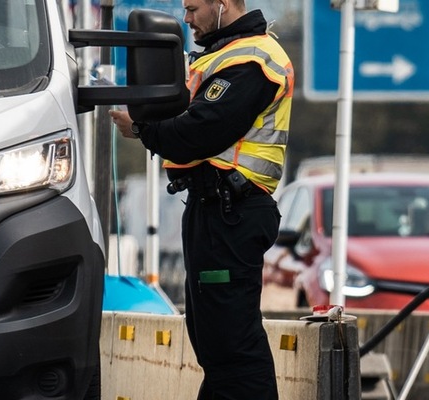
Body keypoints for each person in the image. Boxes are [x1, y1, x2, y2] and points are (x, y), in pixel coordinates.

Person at [110, 0, 293, 398]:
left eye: (193, 8)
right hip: (215, 212)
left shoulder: (252, 59)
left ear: (223, 4)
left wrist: (142, 130)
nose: (187, 18)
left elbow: (203, 129)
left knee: (232, 346)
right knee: (215, 343)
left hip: (233, 213)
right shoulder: (224, 54)